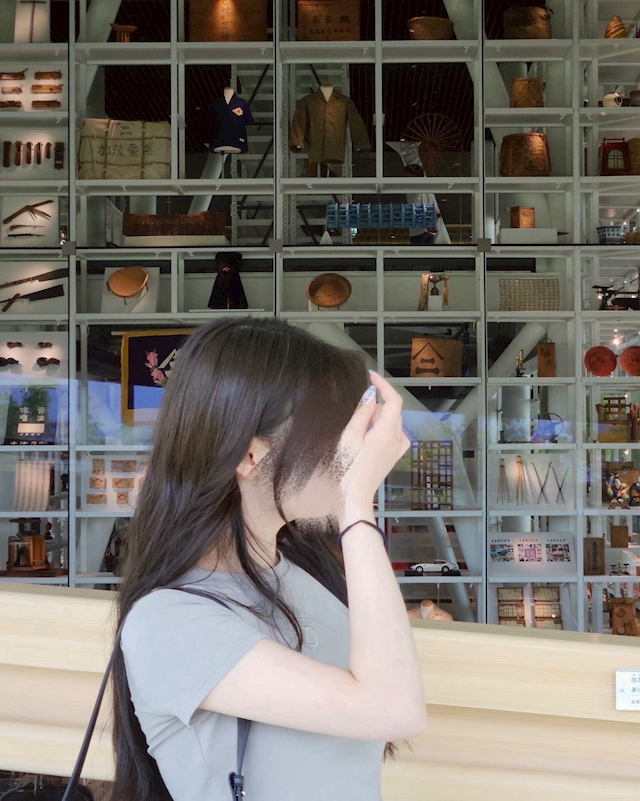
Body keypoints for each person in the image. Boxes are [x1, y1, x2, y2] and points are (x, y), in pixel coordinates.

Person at [112, 317, 427, 801]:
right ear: (249, 457)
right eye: (333, 435)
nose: (353, 453)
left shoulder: (303, 572)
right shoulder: (168, 621)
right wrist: (355, 503)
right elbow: (392, 709)